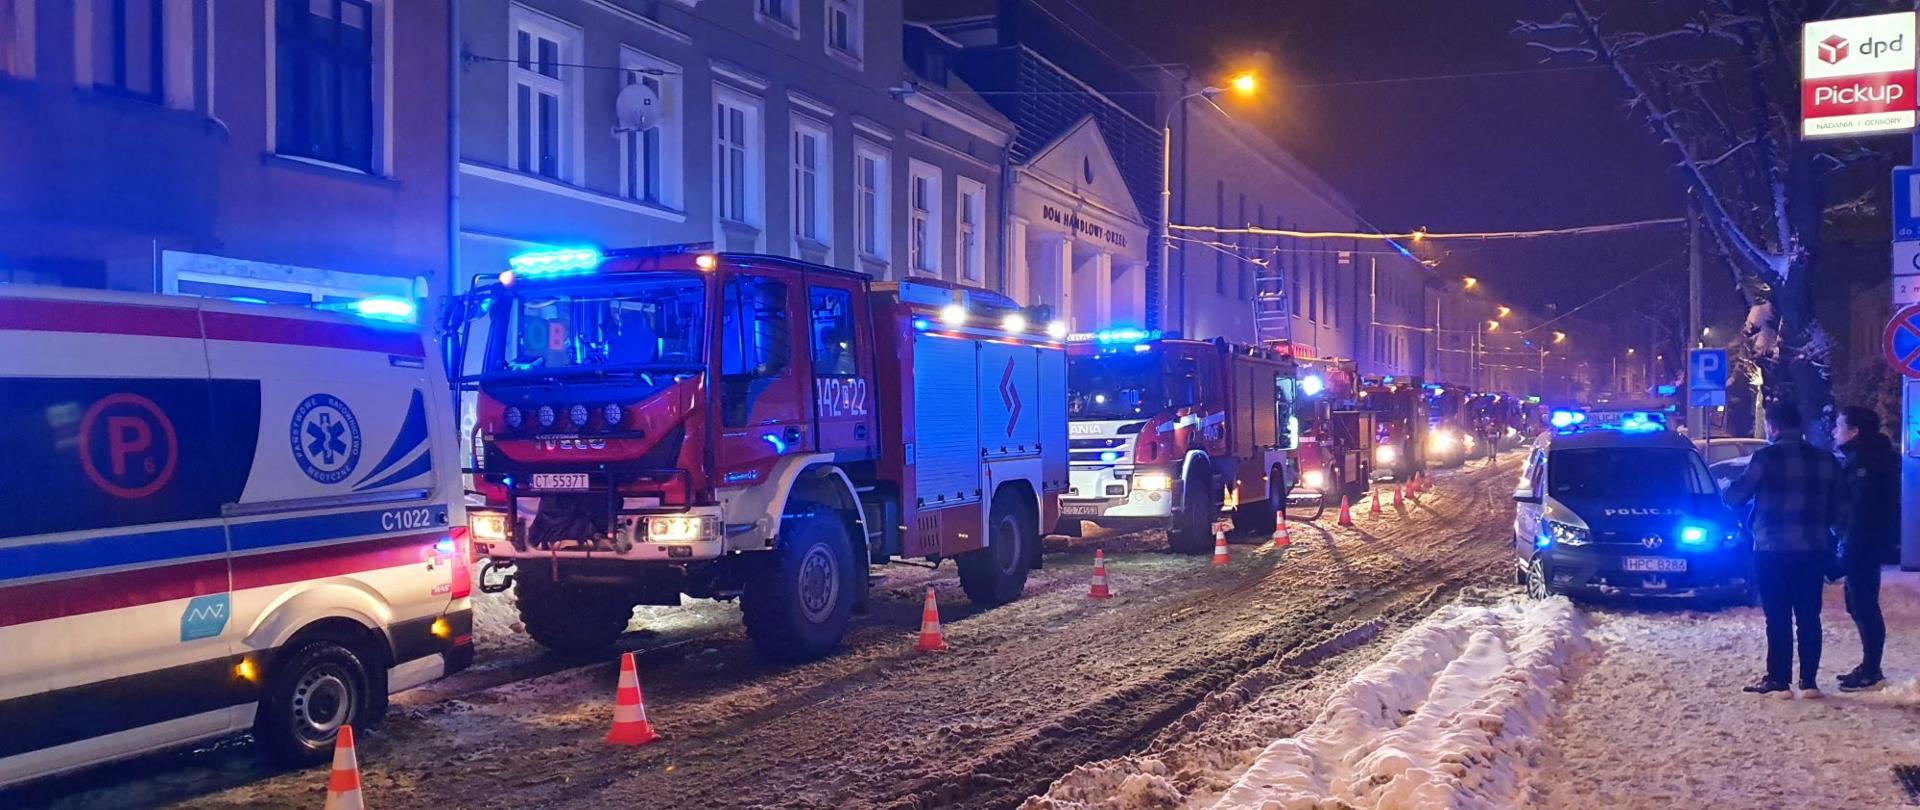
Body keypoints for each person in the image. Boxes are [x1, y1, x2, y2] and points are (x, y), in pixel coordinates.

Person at [1724, 402, 1842, 697]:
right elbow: (1840, 507)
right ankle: (1810, 682)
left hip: (1771, 548)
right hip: (1812, 548)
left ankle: (1779, 679)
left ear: (1774, 427)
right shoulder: (1825, 460)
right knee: (1809, 615)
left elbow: (1737, 497)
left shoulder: (1766, 457)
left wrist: (1729, 489)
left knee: (1777, 616)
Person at [1831, 405, 1899, 691]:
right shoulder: (1866, 457)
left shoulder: (1865, 462)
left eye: (1839, 425)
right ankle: (1870, 665)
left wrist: (1848, 546)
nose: (1835, 431)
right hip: (1864, 541)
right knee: (1857, 603)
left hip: (1862, 542)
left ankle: (1872, 670)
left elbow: (1860, 510)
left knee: (1863, 604)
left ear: (1854, 431)